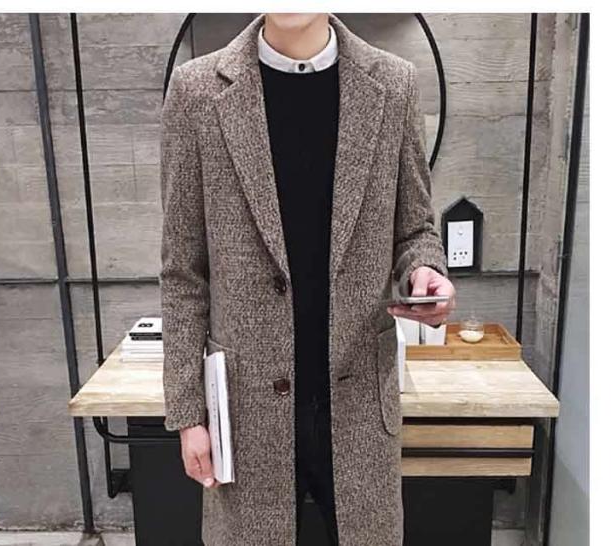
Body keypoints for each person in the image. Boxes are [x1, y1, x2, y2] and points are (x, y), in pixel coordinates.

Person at [159, 13, 456, 546]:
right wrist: (187, 414)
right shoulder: (197, 91)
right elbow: (183, 270)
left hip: (360, 402)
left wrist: (425, 269)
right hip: (246, 411)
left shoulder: (393, 84)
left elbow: (415, 227)